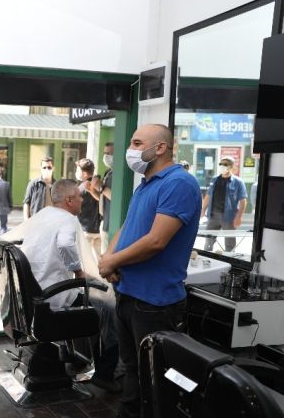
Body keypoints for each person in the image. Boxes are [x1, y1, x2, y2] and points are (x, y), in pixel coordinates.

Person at [98, 124, 201, 418]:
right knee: (132, 369)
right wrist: (109, 258)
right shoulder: (145, 184)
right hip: (128, 293)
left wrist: (113, 262)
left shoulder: (179, 183)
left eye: (136, 143)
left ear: (160, 148)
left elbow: (156, 241)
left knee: (155, 380)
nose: (130, 149)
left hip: (154, 302)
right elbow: (126, 228)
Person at [17, 179, 121, 392]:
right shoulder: (67, 219)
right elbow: (65, 244)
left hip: (32, 295)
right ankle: (104, 374)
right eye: (80, 196)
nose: (83, 199)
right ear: (69, 200)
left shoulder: (43, 214)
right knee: (110, 310)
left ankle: (75, 356)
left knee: (91, 301)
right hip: (52, 296)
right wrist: (78, 271)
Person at [201, 156, 247, 252]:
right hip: (213, 216)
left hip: (229, 218)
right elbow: (208, 196)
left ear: (231, 166)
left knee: (230, 245)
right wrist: (203, 210)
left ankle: (230, 260)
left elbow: (243, 201)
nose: (222, 166)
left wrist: (239, 217)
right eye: (221, 164)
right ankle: (208, 258)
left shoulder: (238, 182)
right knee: (208, 243)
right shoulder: (214, 180)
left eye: (225, 164)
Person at [76, 158, 102, 261]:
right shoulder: (100, 185)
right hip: (98, 231)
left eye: (77, 169)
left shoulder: (80, 189)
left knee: (84, 262)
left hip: (85, 232)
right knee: (98, 262)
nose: (76, 172)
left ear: (84, 174)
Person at [100, 143, 114, 254]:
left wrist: (101, 187)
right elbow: (103, 197)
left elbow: (115, 198)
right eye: (105, 153)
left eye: (110, 153)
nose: (106, 156)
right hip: (104, 220)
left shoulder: (118, 174)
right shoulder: (108, 172)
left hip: (112, 224)